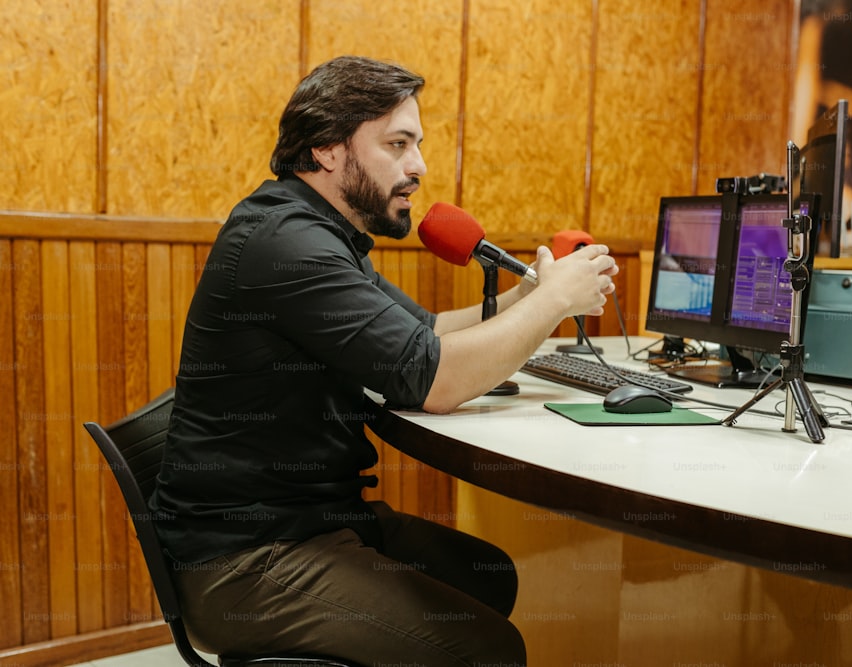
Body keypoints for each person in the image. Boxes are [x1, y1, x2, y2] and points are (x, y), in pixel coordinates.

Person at [149, 55, 618, 666]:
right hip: (245, 560)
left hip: (310, 521)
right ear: (326, 150)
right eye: (397, 145)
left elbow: (425, 334)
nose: (418, 167)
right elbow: (437, 380)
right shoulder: (287, 245)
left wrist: (525, 295)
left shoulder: (319, 230)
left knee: (489, 574)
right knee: (490, 650)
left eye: (417, 145)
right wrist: (555, 302)